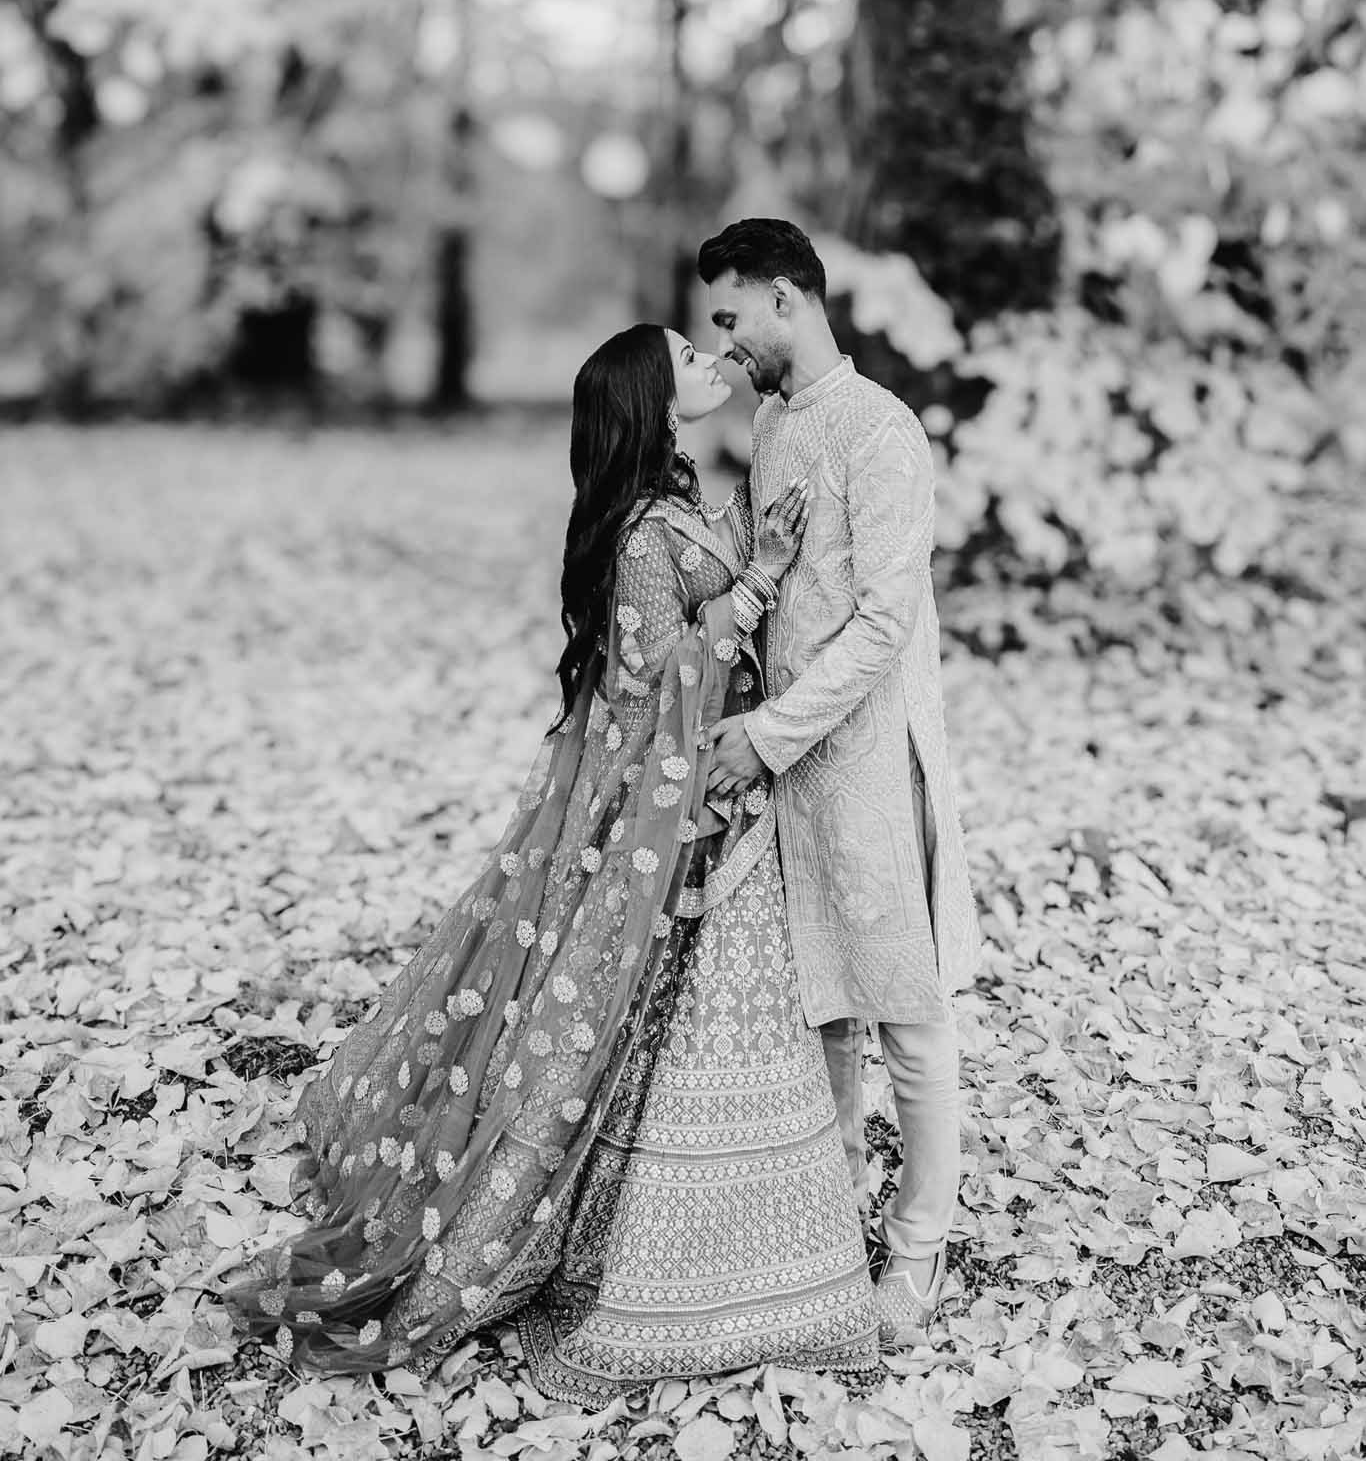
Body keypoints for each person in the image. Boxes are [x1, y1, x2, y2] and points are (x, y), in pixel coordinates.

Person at [219, 322, 879, 1396]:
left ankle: (719, 1234)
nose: (713, 366)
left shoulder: (676, 497)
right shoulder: (633, 535)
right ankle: (591, 1224)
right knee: (592, 1021)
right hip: (675, 798)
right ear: (655, 404)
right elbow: (645, 680)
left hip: (729, 782)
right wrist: (755, 581)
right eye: (692, 362)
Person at [698, 219, 983, 1348]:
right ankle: (827, 1219)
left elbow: (881, 621)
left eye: (731, 317)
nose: (725, 346)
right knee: (816, 1000)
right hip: (789, 766)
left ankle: (918, 1255)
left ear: (784, 296)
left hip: (866, 757)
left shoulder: (882, 429)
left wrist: (770, 731)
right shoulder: (772, 424)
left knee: (907, 1016)